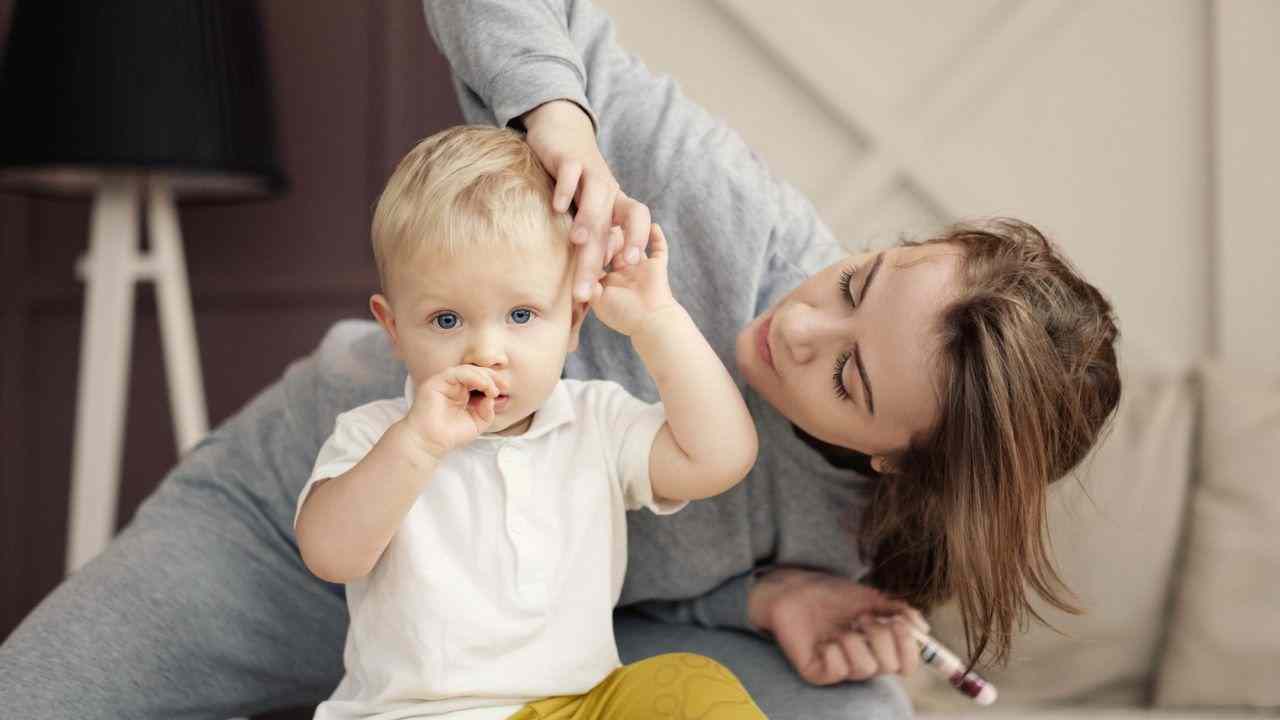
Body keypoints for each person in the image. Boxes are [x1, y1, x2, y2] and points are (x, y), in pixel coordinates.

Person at [0, 1, 1120, 718]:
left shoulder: (866, 534)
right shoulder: (732, 221)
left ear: (895, 465)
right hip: (302, 534)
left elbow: (683, 545)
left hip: (549, 648)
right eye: (858, 277)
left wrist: (769, 599)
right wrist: (563, 115)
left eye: (847, 380)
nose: (797, 322)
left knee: (858, 708)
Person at [296, 124, 763, 719]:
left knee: (694, 686)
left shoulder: (597, 423)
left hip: (578, 708)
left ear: (573, 321)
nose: (486, 350)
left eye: (521, 314)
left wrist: (657, 321)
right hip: (422, 713)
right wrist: (417, 444)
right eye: (445, 321)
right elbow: (331, 555)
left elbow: (722, 457)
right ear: (393, 329)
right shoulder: (376, 436)